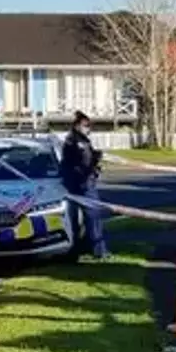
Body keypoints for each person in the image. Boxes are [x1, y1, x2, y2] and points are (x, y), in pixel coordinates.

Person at [59, 111, 109, 260]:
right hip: (81, 184)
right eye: (86, 126)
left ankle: (89, 248)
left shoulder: (81, 140)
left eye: (90, 126)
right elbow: (80, 164)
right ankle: (95, 250)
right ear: (77, 125)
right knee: (90, 216)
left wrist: (96, 157)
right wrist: (93, 164)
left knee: (88, 217)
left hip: (82, 182)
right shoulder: (74, 142)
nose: (89, 129)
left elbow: (88, 157)